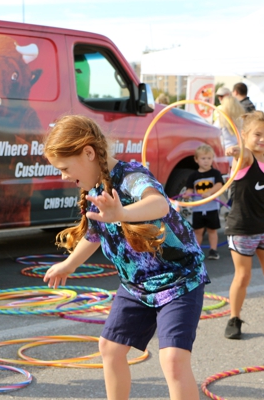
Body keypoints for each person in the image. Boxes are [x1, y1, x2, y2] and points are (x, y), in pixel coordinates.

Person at [42, 115, 209, 400]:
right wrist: (68, 264)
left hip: (179, 281)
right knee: (110, 348)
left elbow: (158, 203)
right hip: (136, 286)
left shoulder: (131, 177)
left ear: (88, 153)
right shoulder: (95, 190)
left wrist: (122, 214)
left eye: (65, 168)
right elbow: (94, 234)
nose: (63, 176)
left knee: (172, 360)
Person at [223, 110, 264, 339]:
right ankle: (234, 318)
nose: (262, 139)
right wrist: (235, 151)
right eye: (257, 134)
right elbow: (241, 153)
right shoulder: (246, 158)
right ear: (245, 135)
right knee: (244, 276)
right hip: (243, 228)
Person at [184, 145, 224, 260]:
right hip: (198, 208)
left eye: (209, 158)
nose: (206, 161)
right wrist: (187, 195)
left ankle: (213, 250)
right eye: (203, 158)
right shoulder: (193, 176)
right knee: (198, 230)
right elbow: (190, 189)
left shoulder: (215, 173)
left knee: (212, 230)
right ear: (196, 160)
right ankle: (197, 251)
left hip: (212, 207)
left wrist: (210, 192)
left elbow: (219, 185)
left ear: (212, 159)